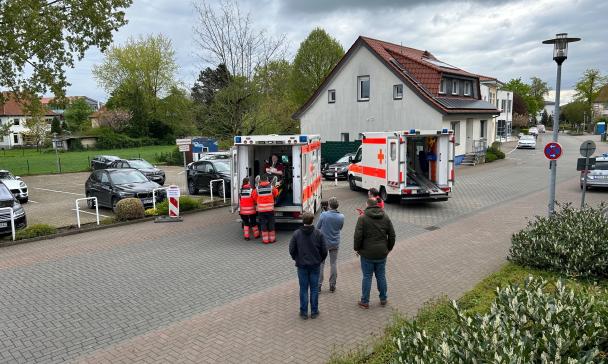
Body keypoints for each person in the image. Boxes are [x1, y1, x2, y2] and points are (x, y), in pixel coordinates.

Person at [354, 198, 396, 309]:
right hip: (382, 252)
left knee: (367, 277)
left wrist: (357, 249)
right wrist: (389, 248)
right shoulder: (385, 216)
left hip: (367, 253)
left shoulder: (362, 218)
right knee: (381, 275)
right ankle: (383, 298)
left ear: (367, 205)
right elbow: (392, 235)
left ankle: (365, 301)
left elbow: (358, 236)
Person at [289, 212, 327, 320]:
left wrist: (296, 258)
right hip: (315, 265)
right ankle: (314, 312)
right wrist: (320, 260)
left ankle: (304, 312)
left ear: (303, 221)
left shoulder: (296, 234)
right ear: (312, 220)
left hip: (302, 266)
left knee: (303, 288)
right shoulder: (318, 234)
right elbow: (324, 251)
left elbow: (291, 249)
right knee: (314, 288)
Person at [317, 197, 344, 292]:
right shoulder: (341, 216)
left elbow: (318, 227)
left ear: (329, 205)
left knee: (321, 264)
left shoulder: (324, 215)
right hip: (335, 242)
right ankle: (332, 285)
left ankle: (318, 285)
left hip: (323, 243)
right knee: (333, 263)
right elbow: (340, 228)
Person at [252, 174, 279, 244]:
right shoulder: (271, 187)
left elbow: (254, 197)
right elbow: (276, 193)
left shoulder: (257, 188)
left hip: (261, 210)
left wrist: (258, 201)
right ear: (267, 179)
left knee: (263, 224)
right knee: (271, 223)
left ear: (260, 180)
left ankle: (265, 240)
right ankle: (272, 239)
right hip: (270, 209)